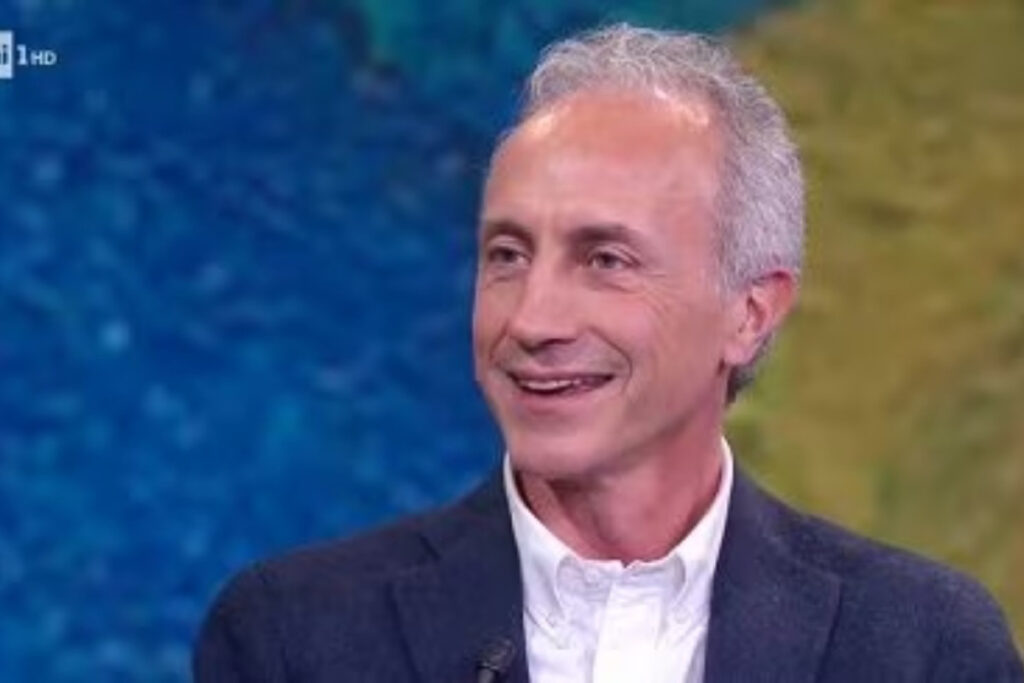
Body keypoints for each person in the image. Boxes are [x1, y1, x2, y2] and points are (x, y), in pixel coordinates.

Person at [193, 24, 1023, 682]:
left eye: (605, 260)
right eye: (508, 255)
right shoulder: (294, 639)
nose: (533, 319)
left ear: (749, 312)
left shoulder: (921, 648)